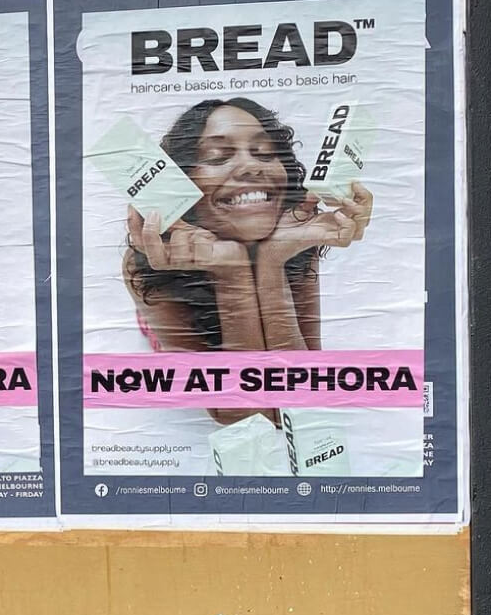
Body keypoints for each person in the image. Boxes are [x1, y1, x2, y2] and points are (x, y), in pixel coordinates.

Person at [120, 97, 372, 423]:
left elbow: (301, 400)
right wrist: (232, 272)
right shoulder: (146, 262)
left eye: (266, 154)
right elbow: (242, 415)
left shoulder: (292, 228)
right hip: (187, 329)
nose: (254, 166)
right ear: (182, 184)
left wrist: (272, 262)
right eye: (217, 156)